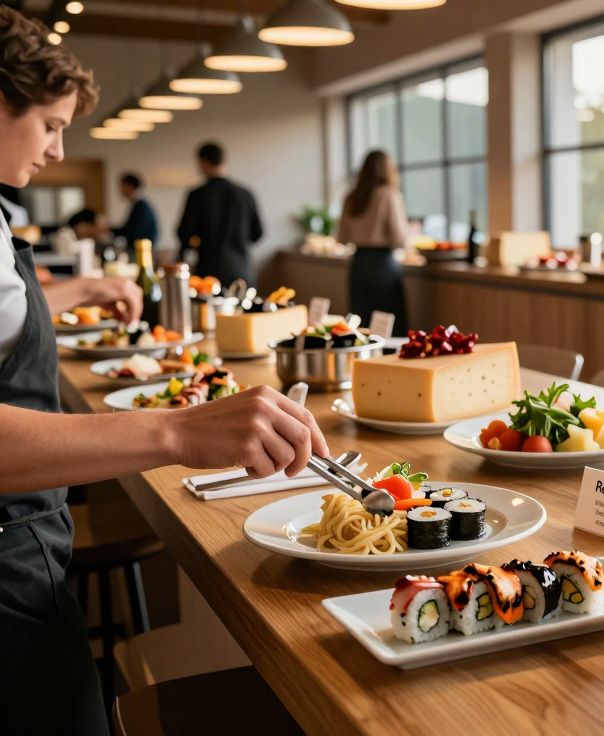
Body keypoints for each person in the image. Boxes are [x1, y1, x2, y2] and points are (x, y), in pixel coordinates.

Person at [0, 11, 327, 734]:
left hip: (31, 541)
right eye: (50, 125)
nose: (58, 149)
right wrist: (179, 430)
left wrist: (83, 289)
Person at [337, 149, 410, 335]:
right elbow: (399, 238)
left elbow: (341, 238)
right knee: (390, 326)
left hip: (359, 264)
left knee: (362, 325)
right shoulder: (388, 194)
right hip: (383, 266)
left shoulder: (352, 197)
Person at [176, 141, 263, 287]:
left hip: (209, 271)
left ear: (202, 162)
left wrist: (195, 244)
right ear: (224, 161)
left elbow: (184, 233)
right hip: (241, 269)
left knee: (208, 303)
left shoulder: (198, 195)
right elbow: (257, 233)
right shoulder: (245, 194)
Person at [111, 171, 158, 245]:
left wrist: (110, 230)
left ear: (129, 186)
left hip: (140, 248)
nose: (120, 190)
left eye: (122, 186)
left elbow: (131, 231)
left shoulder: (141, 207)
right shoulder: (139, 204)